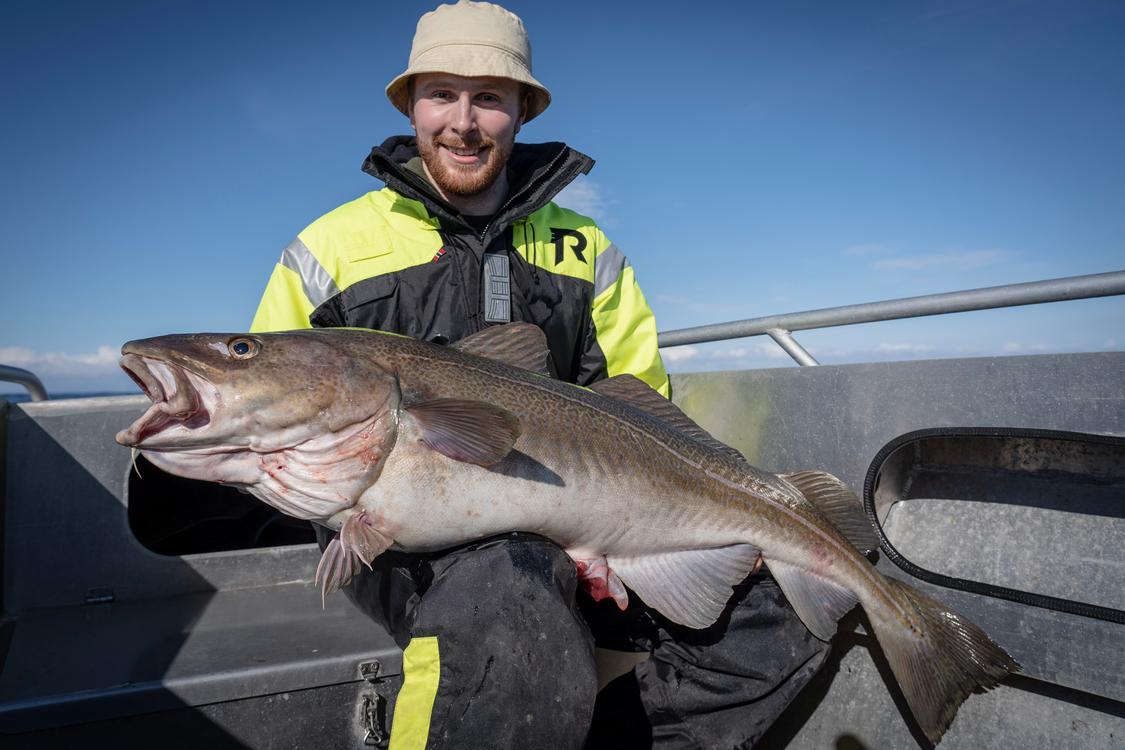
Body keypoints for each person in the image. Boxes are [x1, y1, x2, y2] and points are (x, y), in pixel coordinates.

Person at [250, 2, 829, 748]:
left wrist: (619, 534)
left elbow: (637, 408)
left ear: (523, 110)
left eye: (489, 98)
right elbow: (267, 406)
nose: (463, 122)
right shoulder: (326, 248)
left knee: (774, 618)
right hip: (396, 544)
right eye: (441, 95)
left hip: (587, 523)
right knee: (509, 591)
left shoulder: (589, 249)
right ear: (410, 106)